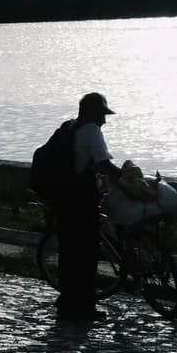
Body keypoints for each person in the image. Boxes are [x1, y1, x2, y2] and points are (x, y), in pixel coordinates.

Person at [57, 91, 124, 321]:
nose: (105, 121)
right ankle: (85, 307)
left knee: (68, 251)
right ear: (93, 113)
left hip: (63, 196)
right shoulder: (91, 131)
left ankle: (66, 301)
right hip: (81, 198)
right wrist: (125, 178)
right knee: (86, 253)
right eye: (102, 115)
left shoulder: (70, 127)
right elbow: (104, 164)